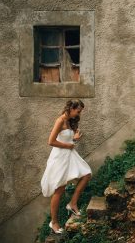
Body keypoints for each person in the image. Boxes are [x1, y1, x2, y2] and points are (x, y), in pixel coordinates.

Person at [40, 99, 92, 234]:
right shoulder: (60, 120)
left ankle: (72, 203)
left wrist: (74, 139)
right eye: (78, 111)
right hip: (60, 157)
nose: (79, 114)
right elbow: (51, 141)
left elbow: (66, 139)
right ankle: (54, 222)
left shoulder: (69, 121)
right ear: (71, 108)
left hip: (69, 155)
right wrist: (69, 145)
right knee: (60, 189)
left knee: (87, 174)